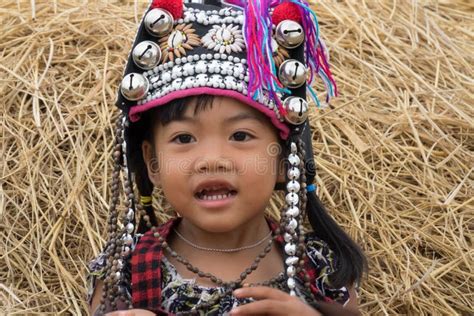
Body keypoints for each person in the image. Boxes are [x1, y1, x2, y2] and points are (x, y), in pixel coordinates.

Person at [87, 0, 368, 315]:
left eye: (240, 136)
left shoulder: (322, 269)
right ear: (153, 163)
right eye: (184, 138)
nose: (212, 159)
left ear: (283, 160)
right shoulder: (124, 271)